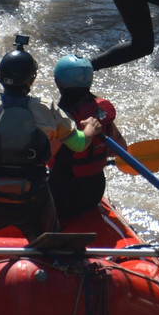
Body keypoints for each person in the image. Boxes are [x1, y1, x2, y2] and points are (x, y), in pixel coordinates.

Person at [0, 37, 102, 245]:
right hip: (34, 199)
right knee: (50, 235)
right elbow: (78, 144)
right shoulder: (47, 109)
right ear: (32, 81)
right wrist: (89, 130)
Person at [49, 55, 127, 221]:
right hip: (94, 191)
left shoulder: (61, 117)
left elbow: (45, 157)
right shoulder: (100, 112)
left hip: (64, 194)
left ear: (58, 83)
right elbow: (120, 149)